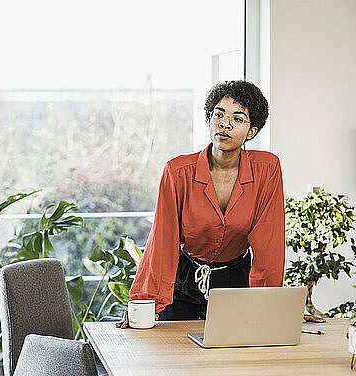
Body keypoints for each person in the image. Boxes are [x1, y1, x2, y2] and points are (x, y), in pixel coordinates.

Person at [118, 80, 324, 328]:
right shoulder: (178, 171)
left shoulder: (266, 169)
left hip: (236, 283)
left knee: (236, 361)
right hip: (183, 282)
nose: (225, 124)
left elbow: (269, 241)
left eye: (238, 119)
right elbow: (162, 240)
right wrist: (145, 302)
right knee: (173, 358)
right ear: (209, 119)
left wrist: (273, 305)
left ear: (252, 132)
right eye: (219, 114)